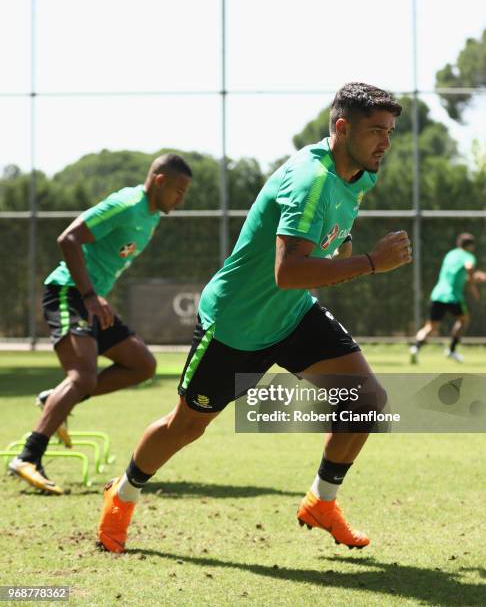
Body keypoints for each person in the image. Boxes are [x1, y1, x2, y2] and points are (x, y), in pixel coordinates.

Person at [97, 82, 411, 553]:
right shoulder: (310, 181)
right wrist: (370, 262)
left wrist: (346, 250)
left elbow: (331, 240)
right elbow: (288, 272)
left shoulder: (359, 174)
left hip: (293, 315)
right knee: (186, 426)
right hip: (235, 326)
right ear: (342, 128)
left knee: (365, 399)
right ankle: (121, 496)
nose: (385, 142)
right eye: (375, 131)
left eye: (389, 131)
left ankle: (321, 502)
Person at [8, 154, 193, 494]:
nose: (181, 199)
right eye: (178, 190)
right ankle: (28, 457)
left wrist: (96, 297)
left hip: (92, 301)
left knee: (142, 365)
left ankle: (57, 399)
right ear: (160, 181)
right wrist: (91, 294)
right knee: (82, 377)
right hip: (69, 293)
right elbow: (69, 239)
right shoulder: (126, 203)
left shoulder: (151, 216)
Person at [410, 233, 482, 364]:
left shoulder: (451, 254)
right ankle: (452, 350)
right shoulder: (468, 256)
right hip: (453, 296)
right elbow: (469, 267)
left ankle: (415, 348)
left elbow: (456, 274)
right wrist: (472, 286)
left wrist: (472, 277)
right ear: (470, 246)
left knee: (430, 327)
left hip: (437, 294)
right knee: (464, 320)